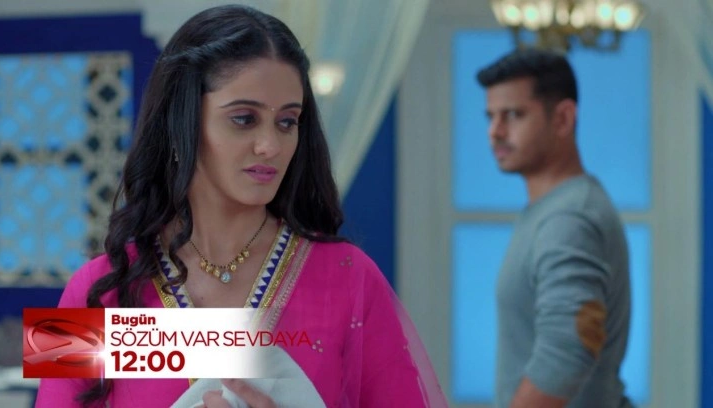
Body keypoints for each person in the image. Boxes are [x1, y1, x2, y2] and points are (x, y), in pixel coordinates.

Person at [35, 5, 447, 408]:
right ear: (181, 123)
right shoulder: (94, 290)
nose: (270, 146)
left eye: (287, 122)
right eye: (244, 118)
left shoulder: (349, 278)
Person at [476, 48, 633, 408]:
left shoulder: (569, 218)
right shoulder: (555, 209)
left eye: (513, 115)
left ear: (563, 118)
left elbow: (566, 352)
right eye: (491, 117)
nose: (495, 132)